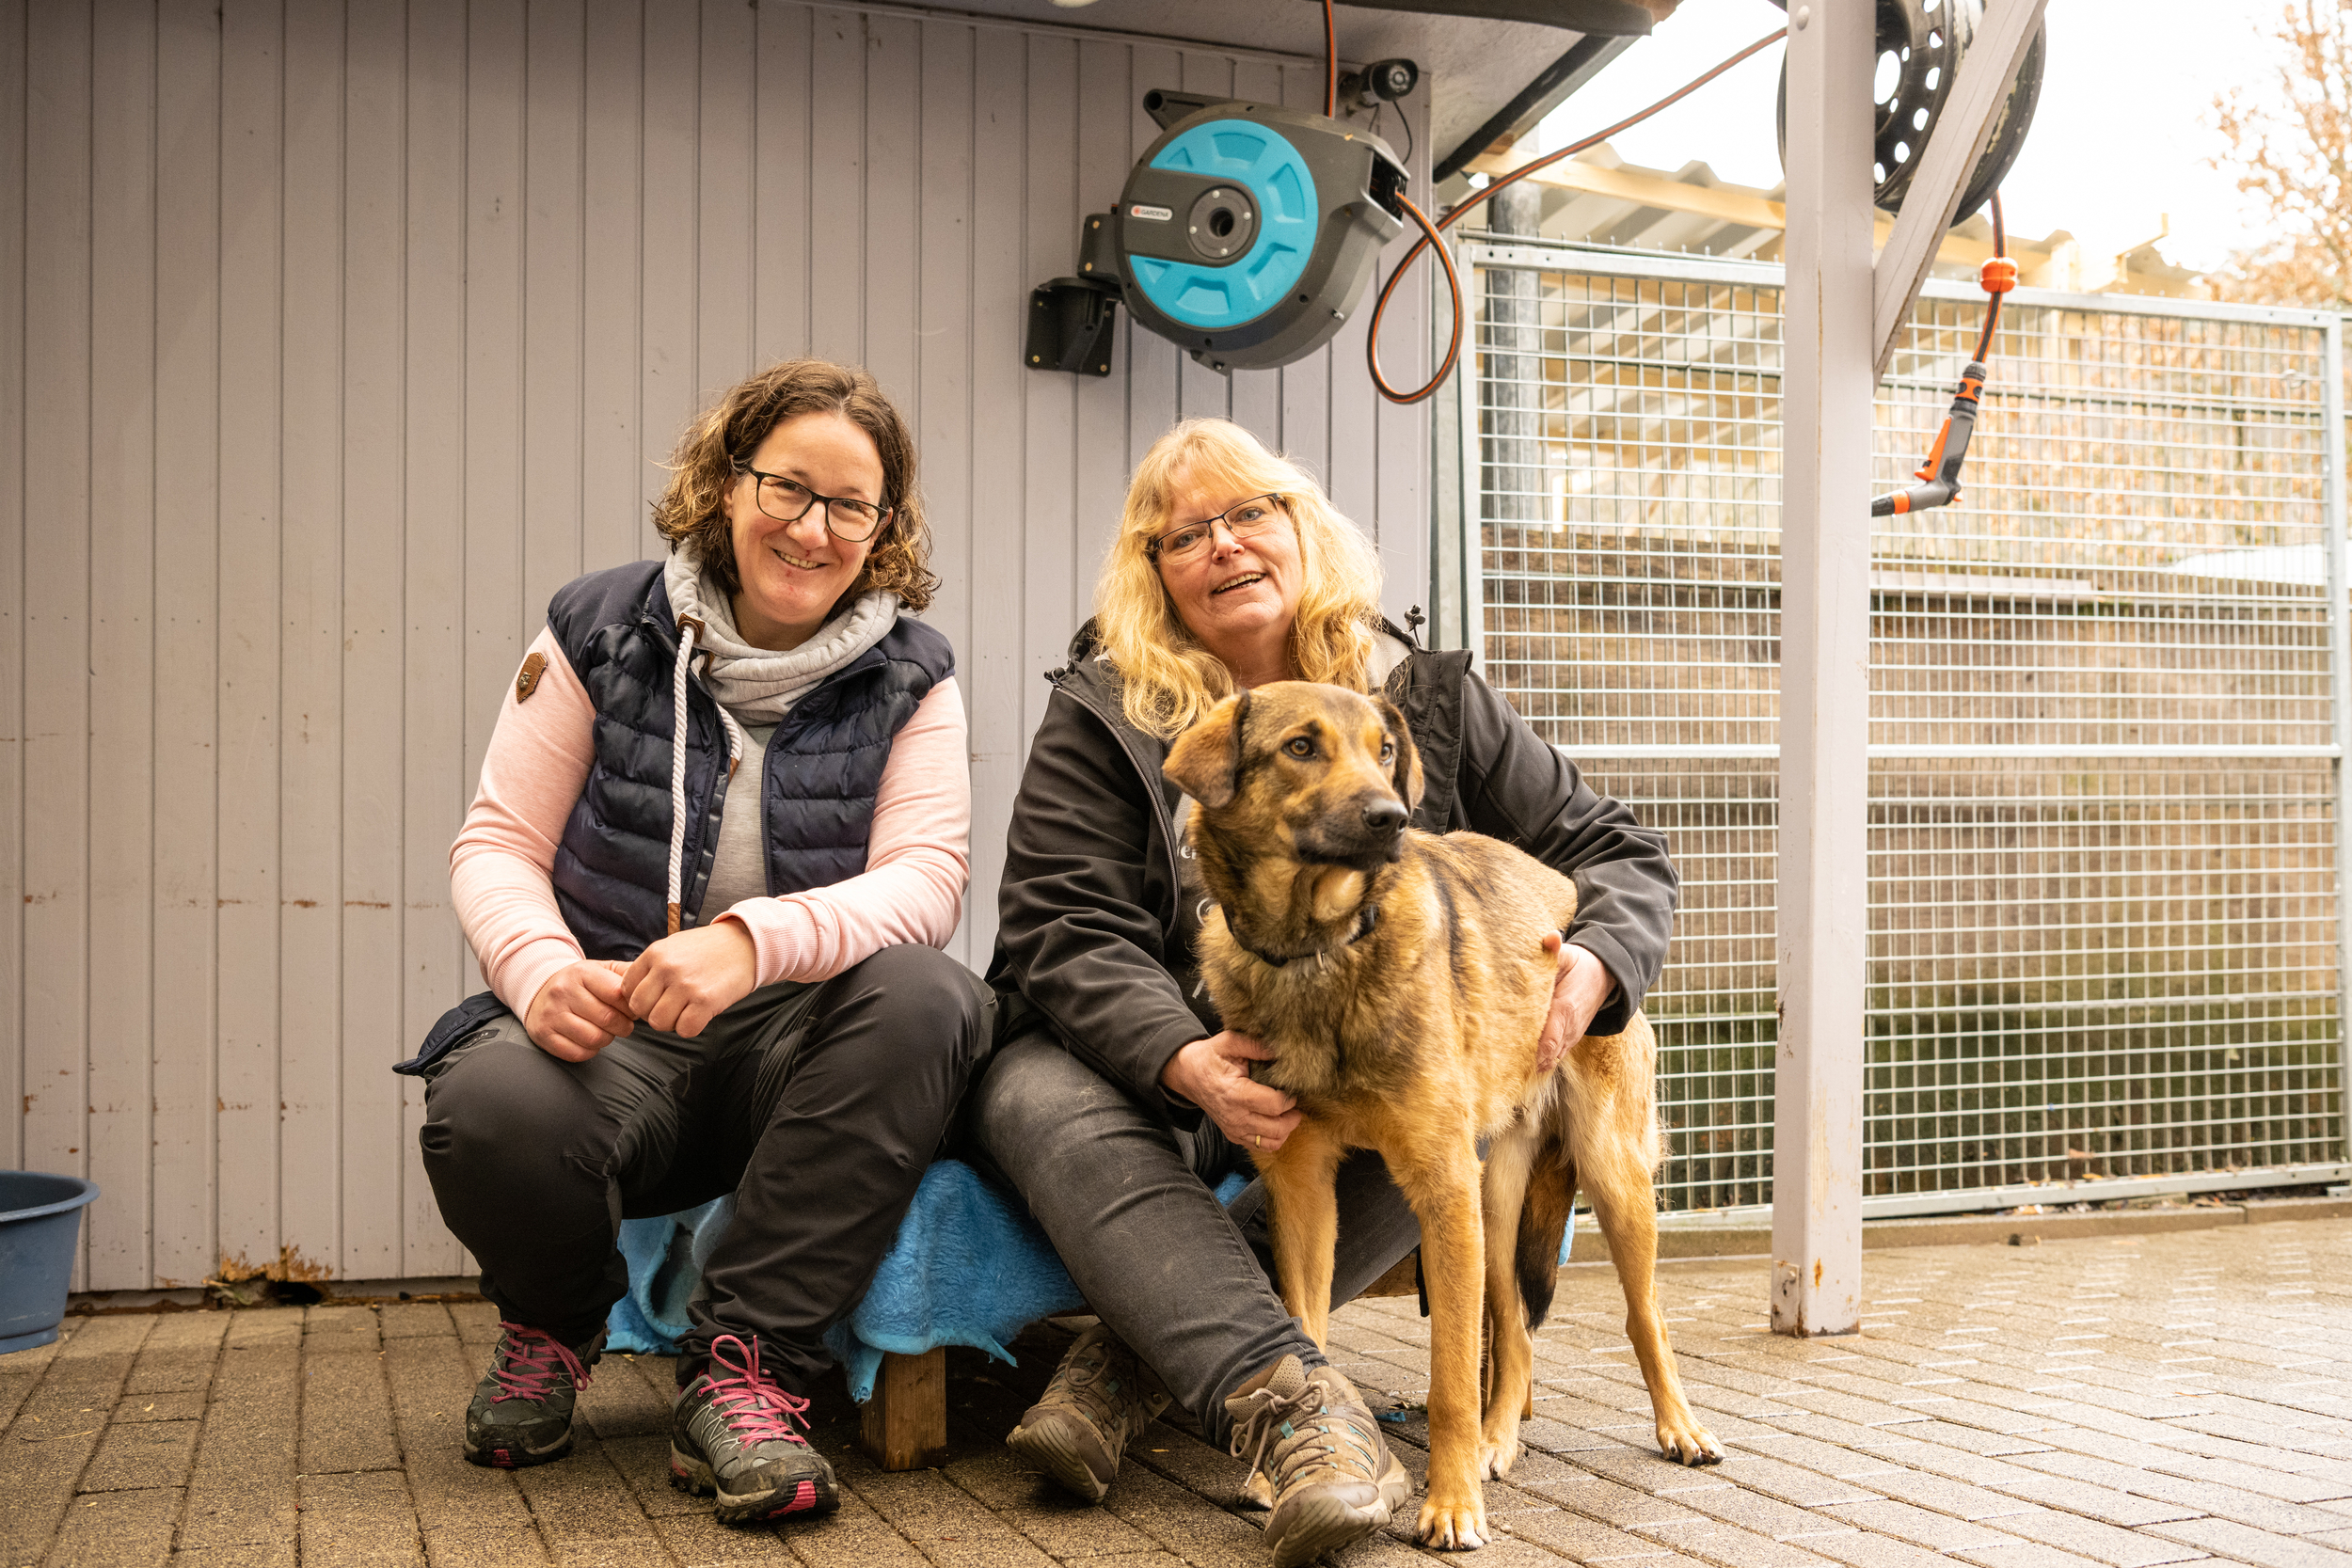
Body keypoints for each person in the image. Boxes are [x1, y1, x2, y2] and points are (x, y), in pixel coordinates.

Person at [972, 418, 1678, 1565]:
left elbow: (1616, 851)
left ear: (1303, 529)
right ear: (1153, 573)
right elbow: (1060, 923)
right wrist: (1182, 1056)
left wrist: (1597, 965)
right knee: (1026, 1092)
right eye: (1186, 533)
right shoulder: (1109, 706)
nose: (1225, 545)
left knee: (1442, 1122)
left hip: (1356, 1046)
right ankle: (1293, 1401)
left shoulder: (1422, 695)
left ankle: (1131, 1378)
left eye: (1252, 512)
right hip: (1144, 1072)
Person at [404, 358, 992, 1529]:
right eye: (787, 487)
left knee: (931, 993)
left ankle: (749, 1370)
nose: (812, 528)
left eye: (849, 505)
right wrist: (540, 971)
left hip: (802, 1056)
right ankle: (555, 1329)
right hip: (623, 1030)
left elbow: (927, 883)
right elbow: (496, 842)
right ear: (728, 484)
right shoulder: (595, 627)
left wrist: (751, 941)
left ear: (882, 529)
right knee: (488, 1109)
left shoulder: (915, 674)